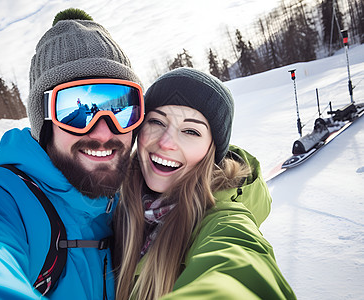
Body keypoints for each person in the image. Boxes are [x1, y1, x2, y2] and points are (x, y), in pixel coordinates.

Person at [0, 8, 143, 300]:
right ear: (44, 121)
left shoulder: (142, 197)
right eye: (75, 112)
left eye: (122, 108)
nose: (102, 132)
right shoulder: (0, 197)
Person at [113, 67, 296, 300]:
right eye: (157, 122)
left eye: (190, 131)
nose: (167, 142)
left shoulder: (223, 219)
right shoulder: (108, 201)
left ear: (212, 150)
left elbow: (236, 271)